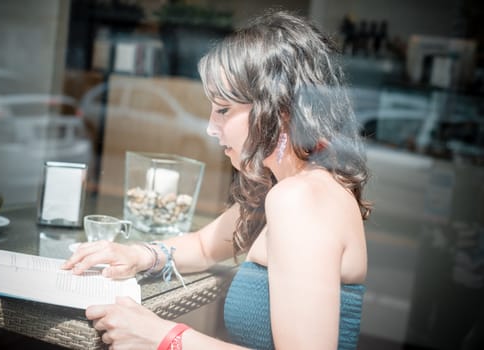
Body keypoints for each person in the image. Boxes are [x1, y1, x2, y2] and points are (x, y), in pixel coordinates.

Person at [62, 9, 371, 350]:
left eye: (223, 110)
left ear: (279, 111)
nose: (210, 127)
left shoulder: (300, 200)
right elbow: (205, 246)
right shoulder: (291, 187)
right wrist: (139, 254)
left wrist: (163, 337)